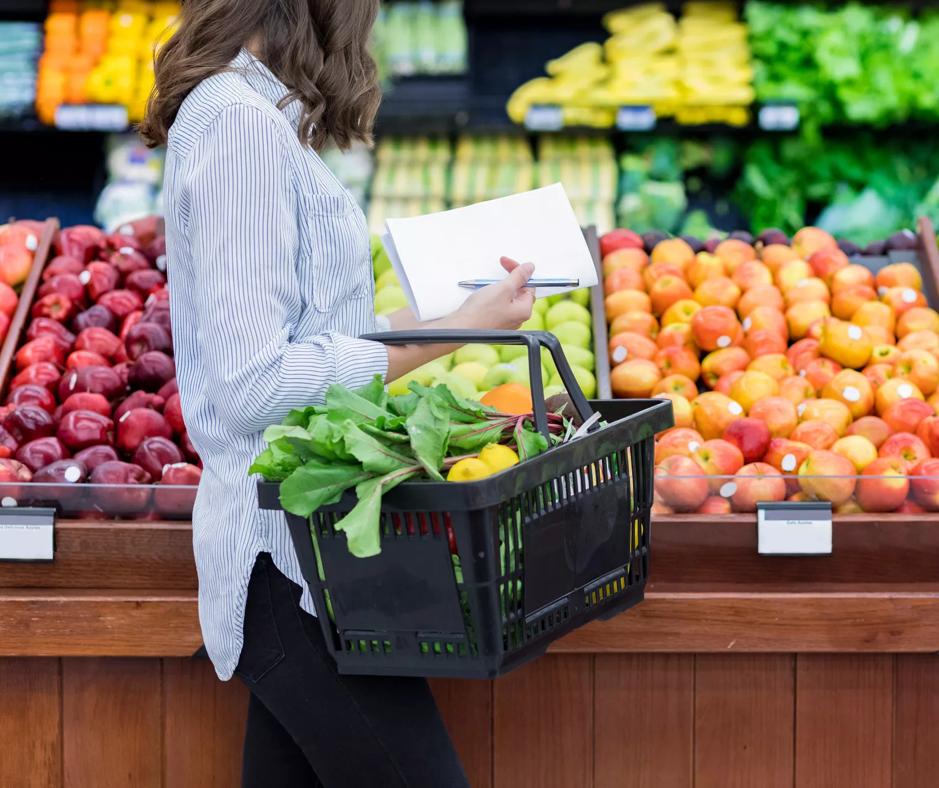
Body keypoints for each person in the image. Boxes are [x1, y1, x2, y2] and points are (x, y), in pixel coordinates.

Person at [140, 2, 534, 785]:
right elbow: (256, 383)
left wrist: (456, 316)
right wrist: (447, 337)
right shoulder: (238, 128)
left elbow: (318, 330)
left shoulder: (253, 114)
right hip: (285, 565)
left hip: (317, 559)